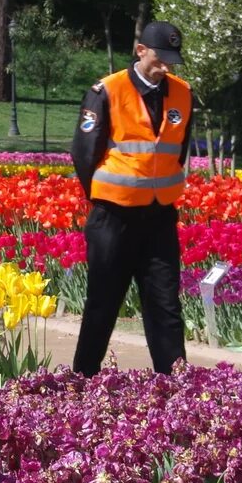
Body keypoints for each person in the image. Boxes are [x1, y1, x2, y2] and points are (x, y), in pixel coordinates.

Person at [69, 20, 195, 377]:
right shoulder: (106, 91)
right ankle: (83, 380)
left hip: (159, 218)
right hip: (114, 218)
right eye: (160, 58)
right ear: (141, 51)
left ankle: (175, 386)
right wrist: (105, 197)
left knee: (166, 306)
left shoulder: (183, 94)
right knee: (103, 304)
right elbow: (84, 153)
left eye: (172, 59)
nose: (166, 66)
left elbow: (178, 151)